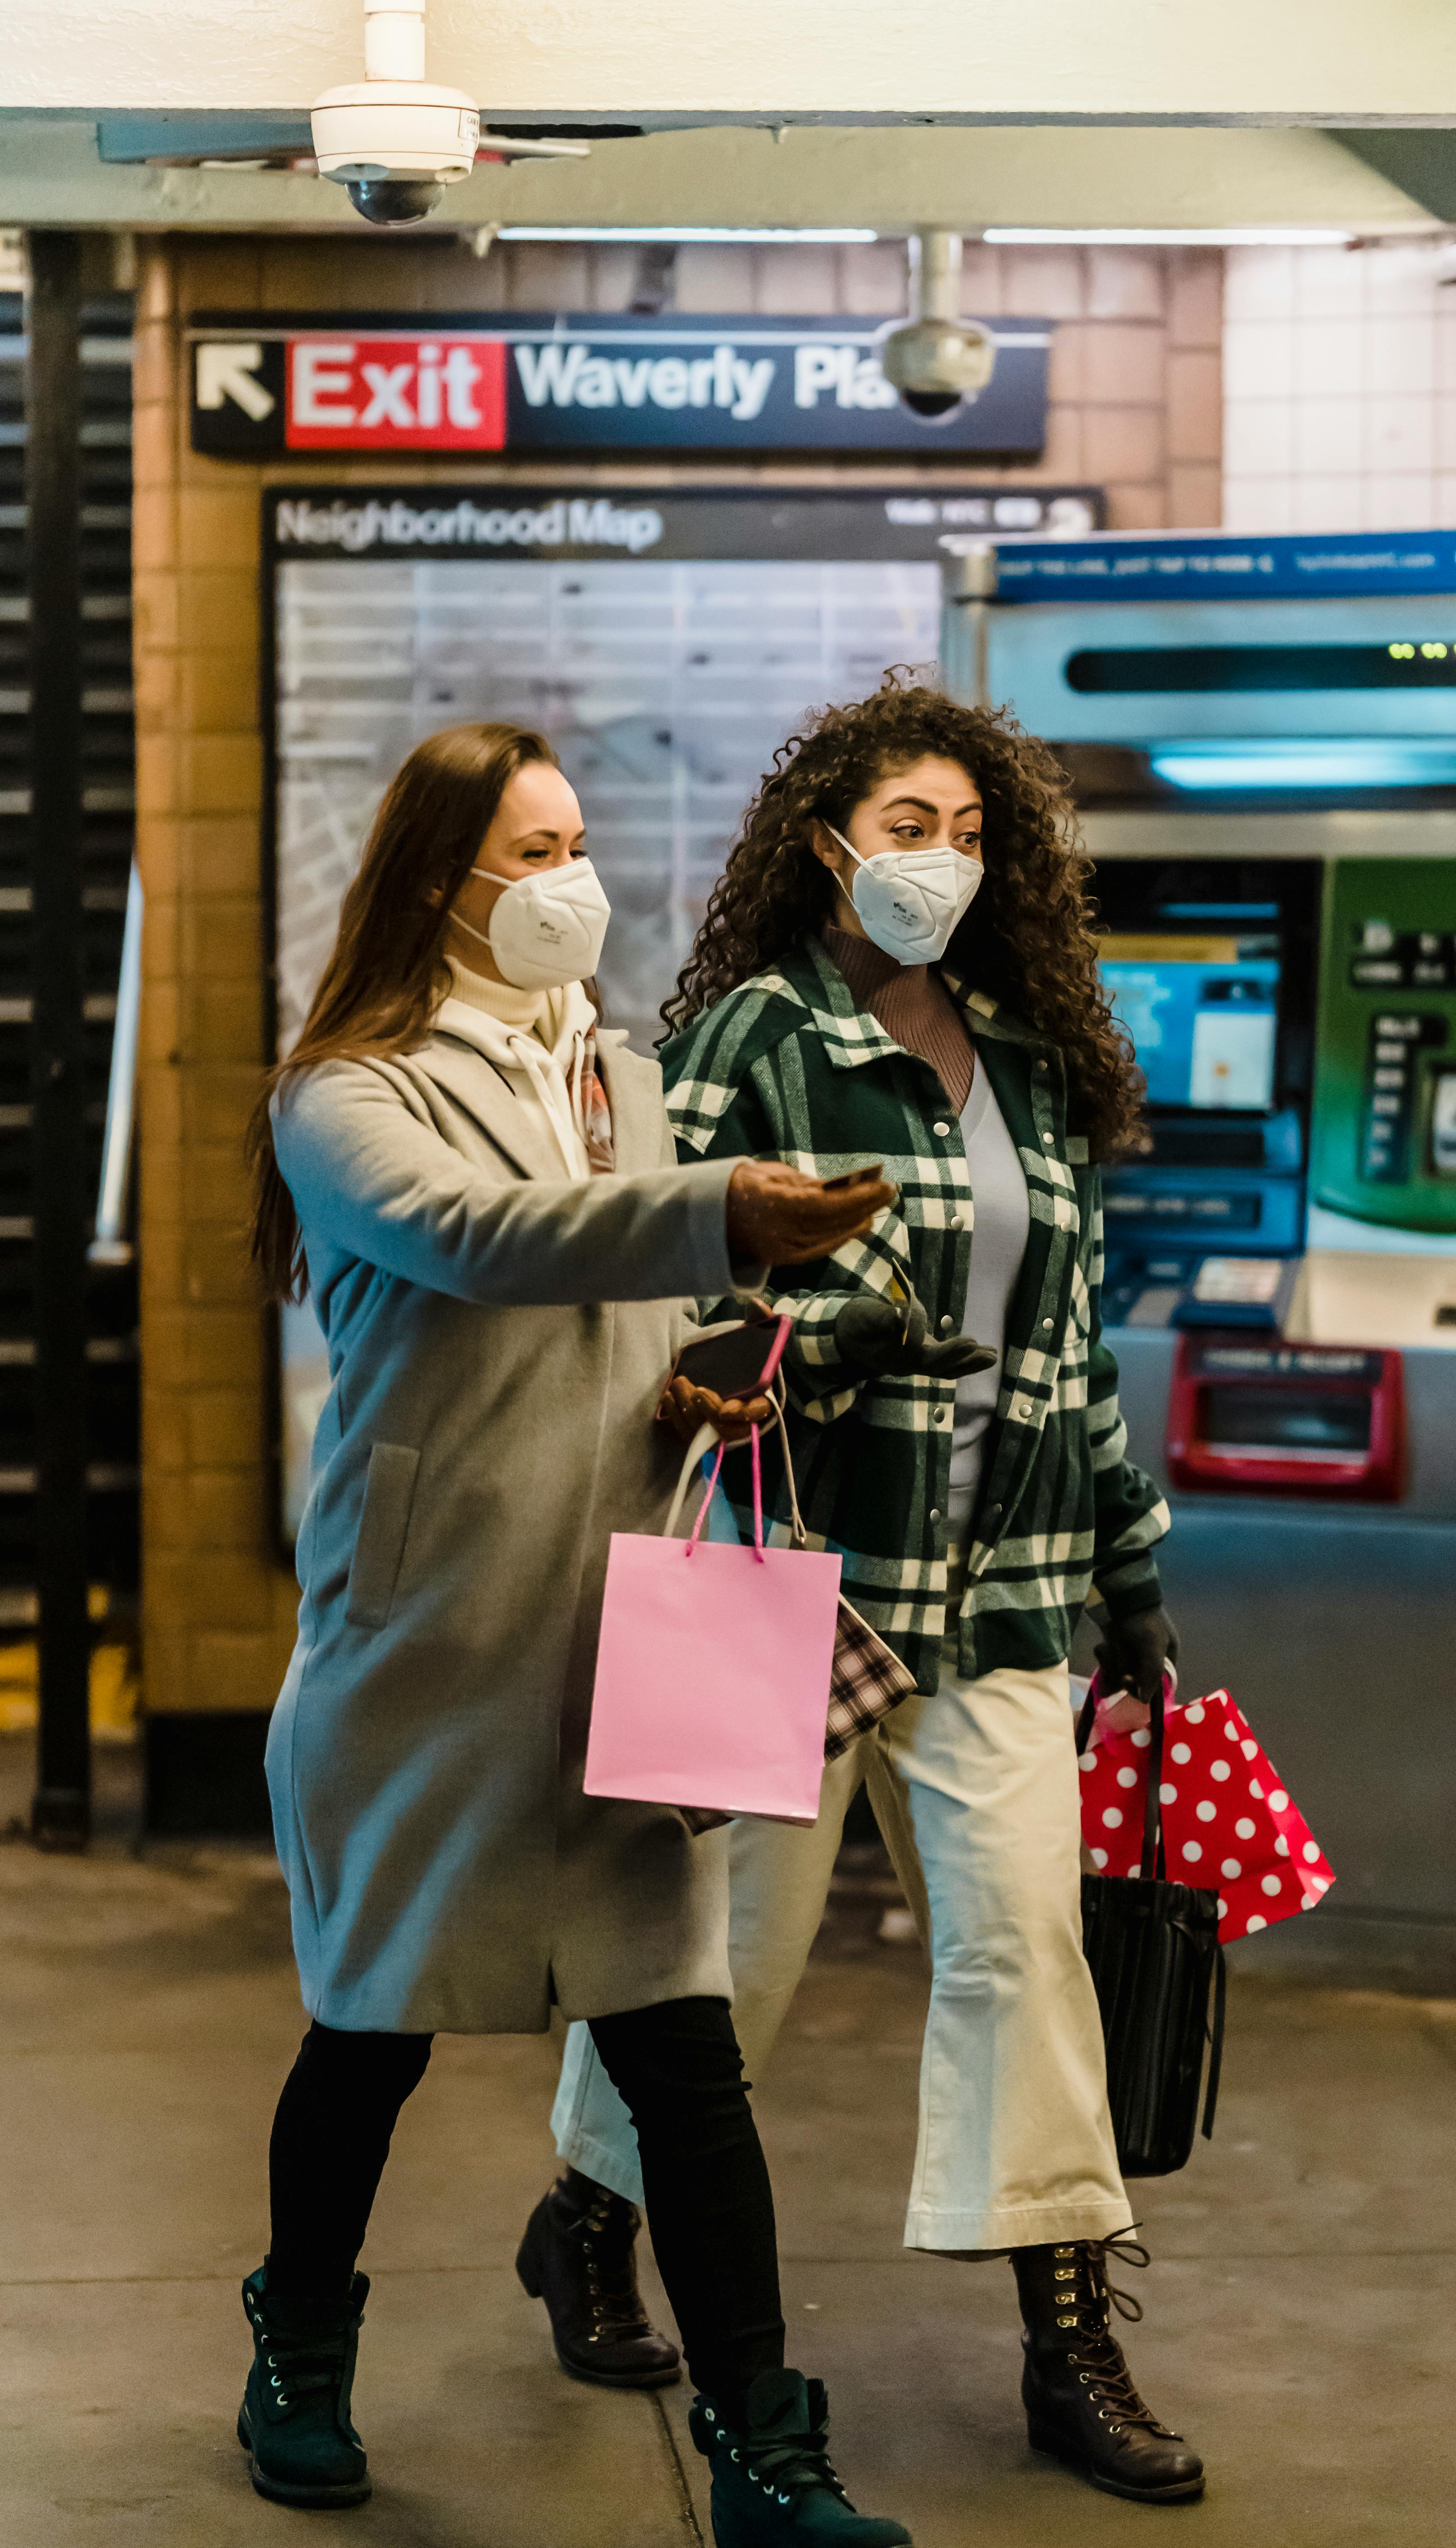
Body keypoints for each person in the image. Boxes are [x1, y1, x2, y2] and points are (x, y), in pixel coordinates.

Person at [534, 677, 1205, 2508]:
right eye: (908, 828)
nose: (943, 863)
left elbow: (1067, 1347)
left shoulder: (1029, 1048)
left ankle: (1067, 2339)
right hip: (793, 1588)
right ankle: (584, 2217)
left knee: (1022, 1952)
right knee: (724, 1966)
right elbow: (684, 1303)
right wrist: (857, 1314)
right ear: (825, 839)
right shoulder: (760, 1032)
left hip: (998, 1592)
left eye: (973, 835)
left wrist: (1129, 1570)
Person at [242, 719, 912, 2548]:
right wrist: (723, 1208)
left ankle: (764, 2443)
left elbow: (623, 1304)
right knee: (370, 2030)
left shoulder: (616, 1069)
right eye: (526, 855)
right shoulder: (345, 1093)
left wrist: (701, 1384)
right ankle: (297, 2341)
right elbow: (482, 1238)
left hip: (622, 1646)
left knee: (681, 2055)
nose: (568, 883)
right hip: (432, 1654)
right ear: (434, 883)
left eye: (575, 844)